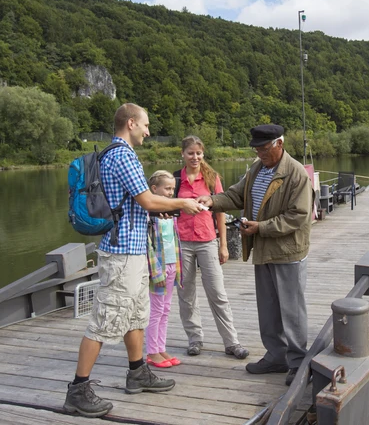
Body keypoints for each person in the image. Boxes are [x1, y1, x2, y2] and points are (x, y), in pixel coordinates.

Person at [63, 103, 202, 418]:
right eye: (146, 125)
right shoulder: (123, 155)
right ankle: (78, 390)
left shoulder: (114, 155)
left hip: (134, 251)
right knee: (104, 320)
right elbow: (147, 199)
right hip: (122, 255)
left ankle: (138, 372)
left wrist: (161, 207)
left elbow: (139, 205)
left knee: (138, 316)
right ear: (130, 123)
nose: (148, 131)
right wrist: (182, 202)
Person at [197, 124, 313, 386]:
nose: (259, 152)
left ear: (279, 144)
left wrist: (261, 227)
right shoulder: (257, 169)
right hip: (263, 250)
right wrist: (212, 201)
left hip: (288, 252)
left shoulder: (295, 173)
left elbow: (299, 215)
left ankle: (296, 362)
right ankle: (276, 356)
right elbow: (237, 195)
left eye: (264, 148)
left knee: (292, 311)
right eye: (257, 148)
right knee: (269, 308)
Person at [175, 135, 249, 360]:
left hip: (207, 240)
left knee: (217, 292)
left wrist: (223, 245)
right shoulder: (176, 180)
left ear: (202, 154)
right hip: (183, 242)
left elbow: (220, 211)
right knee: (186, 293)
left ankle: (231, 342)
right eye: (190, 153)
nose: (195, 157)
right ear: (183, 155)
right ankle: (194, 339)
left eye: (198, 153)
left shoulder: (211, 177)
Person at [145, 170, 183, 369]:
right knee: (156, 310)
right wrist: (156, 271)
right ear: (154, 189)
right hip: (158, 268)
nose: (170, 192)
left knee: (166, 309)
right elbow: (148, 245)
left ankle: (161, 347)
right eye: (167, 189)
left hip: (171, 265)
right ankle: (152, 352)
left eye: (172, 189)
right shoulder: (149, 215)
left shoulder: (170, 214)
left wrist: (177, 267)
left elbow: (174, 241)